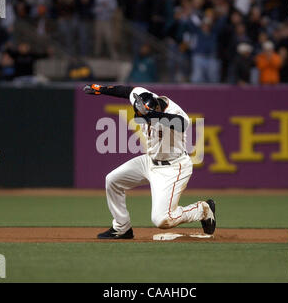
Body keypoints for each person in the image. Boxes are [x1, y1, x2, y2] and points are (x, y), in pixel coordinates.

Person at [83, 83, 216, 239]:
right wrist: (101, 89)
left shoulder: (176, 113)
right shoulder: (144, 98)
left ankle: (202, 209)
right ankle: (122, 228)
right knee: (112, 180)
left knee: (162, 220)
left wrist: (152, 115)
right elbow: (128, 91)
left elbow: (181, 123)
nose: (143, 121)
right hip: (149, 161)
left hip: (173, 167)